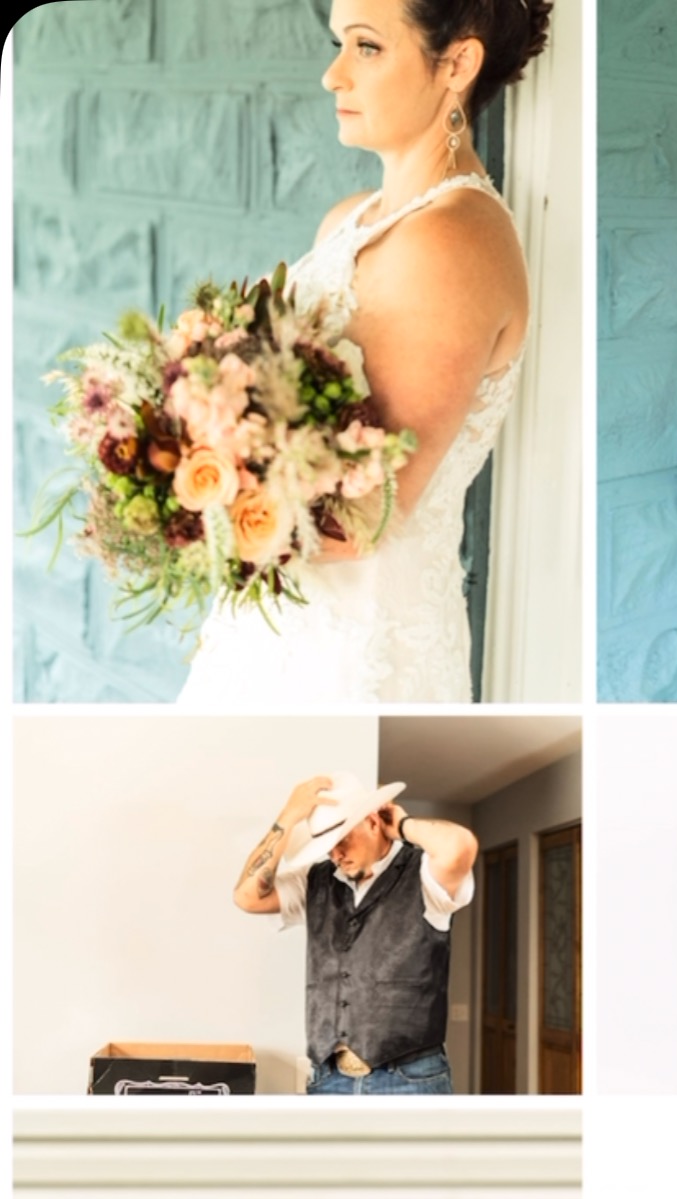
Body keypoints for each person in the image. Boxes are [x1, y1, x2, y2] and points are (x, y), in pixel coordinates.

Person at [176, 2, 552, 710]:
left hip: (355, 641)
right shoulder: (349, 219)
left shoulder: (451, 243)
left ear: (458, 64)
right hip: (283, 610)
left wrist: (183, 497)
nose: (331, 75)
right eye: (337, 44)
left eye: (367, 47)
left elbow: (362, 519)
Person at [233, 771, 478, 1094]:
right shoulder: (315, 881)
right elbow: (247, 897)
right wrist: (288, 818)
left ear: (374, 823)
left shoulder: (423, 874)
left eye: (342, 840)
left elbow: (461, 846)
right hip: (330, 1079)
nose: (335, 854)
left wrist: (403, 825)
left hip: (409, 1081)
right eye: (326, 847)